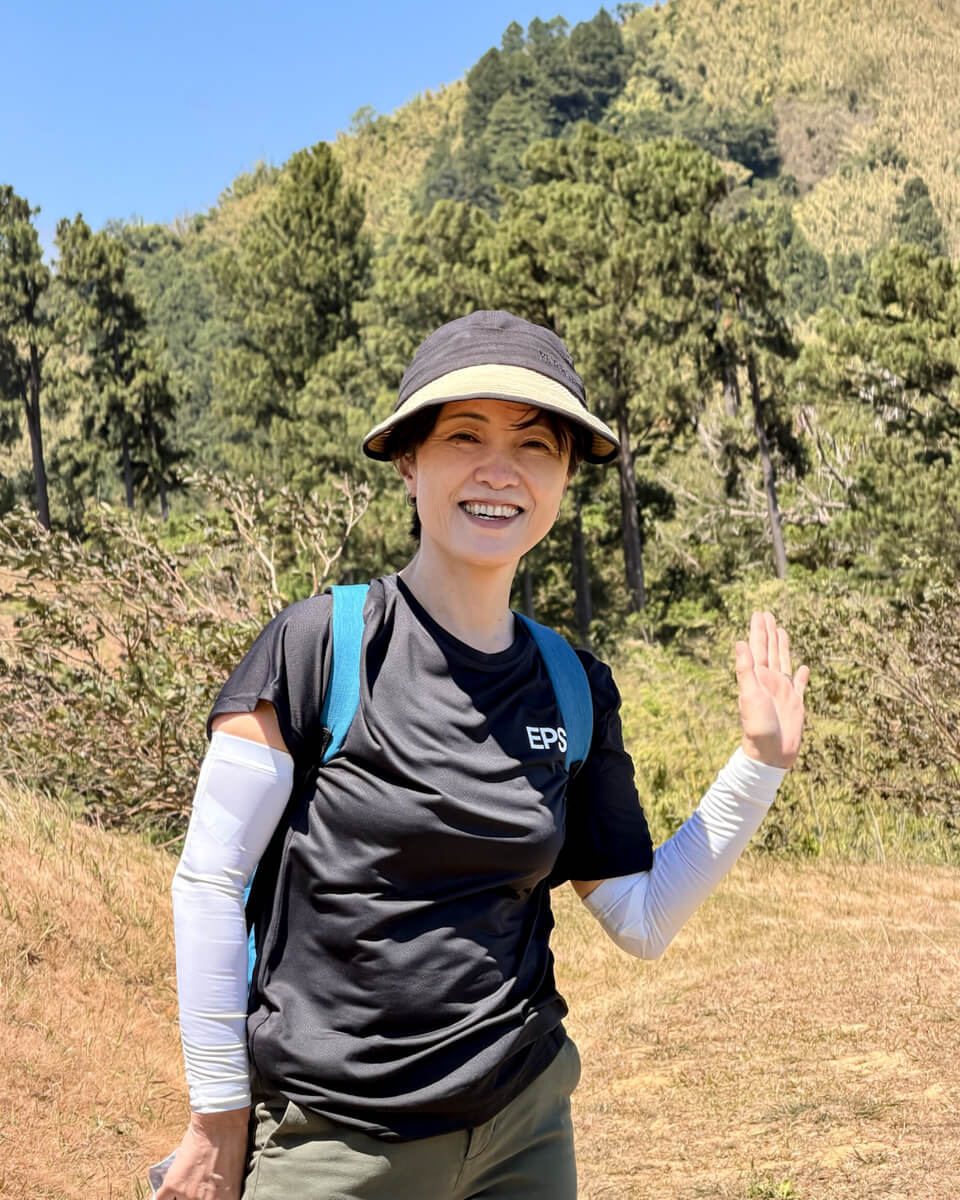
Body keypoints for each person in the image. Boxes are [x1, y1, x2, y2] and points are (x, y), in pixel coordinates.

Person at [156, 310, 809, 1200]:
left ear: (564, 478)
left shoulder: (571, 684)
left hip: (524, 1133)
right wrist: (218, 1117)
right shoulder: (321, 650)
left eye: (536, 446)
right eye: (465, 435)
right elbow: (209, 882)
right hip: (336, 1148)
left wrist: (759, 765)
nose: (500, 471)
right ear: (408, 460)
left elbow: (642, 918)